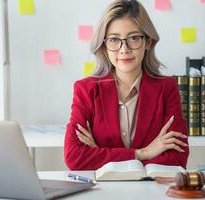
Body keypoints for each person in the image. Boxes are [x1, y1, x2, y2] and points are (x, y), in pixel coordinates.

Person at [64, 0, 189, 170]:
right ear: (104, 45)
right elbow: (74, 158)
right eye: (114, 40)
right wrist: (142, 153)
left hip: (150, 191)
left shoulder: (167, 88)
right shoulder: (85, 90)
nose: (124, 49)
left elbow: (177, 158)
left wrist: (100, 153)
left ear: (148, 42)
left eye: (134, 38)